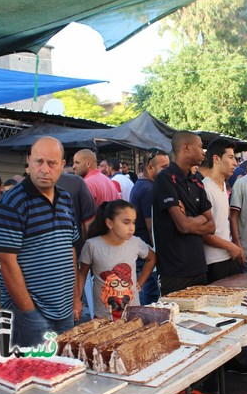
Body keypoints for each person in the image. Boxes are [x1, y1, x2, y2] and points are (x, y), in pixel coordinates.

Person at [0, 137, 80, 347]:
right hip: (31, 314)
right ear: (29, 161)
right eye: (39, 161)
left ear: (62, 165)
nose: (44, 169)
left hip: (64, 311)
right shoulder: (12, 202)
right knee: (34, 372)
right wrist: (29, 312)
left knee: (64, 370)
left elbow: (70, 249)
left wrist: (75, 298)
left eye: (52, 163)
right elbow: (7, 263)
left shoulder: (65, 198)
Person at [152, 131, 215, 295]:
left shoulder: (197, 181)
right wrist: (200, 219)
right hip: (174, 272)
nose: (203, 152)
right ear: (186, 148)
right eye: (200, 146)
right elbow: (183, 226)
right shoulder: (165, 179)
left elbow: (212, 226)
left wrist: (192, 219)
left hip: (199, 268)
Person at [77, 200, 156, 321]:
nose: (131, 228)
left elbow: (152, 258)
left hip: (132, 316)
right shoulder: (92, 245)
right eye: (126, 222)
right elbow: (82, 273)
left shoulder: (135, 243)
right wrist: (77, 299)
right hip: (103, 317)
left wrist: (140, 282)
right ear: (110, 223)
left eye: (133, 222)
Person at [129, 147, 170, 305]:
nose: (168, 171)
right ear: (149, 167)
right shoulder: (148, 189)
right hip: (148, 253)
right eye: (164, 167)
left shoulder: (143, 185)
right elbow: (151, 227)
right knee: (151, 296)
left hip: (144, 252)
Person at [202, 139, 244, 283]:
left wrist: (235, 245)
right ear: (216, 159)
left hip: (229, 257)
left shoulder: (224, 185)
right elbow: (204, 233)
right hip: (214, 261)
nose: (235, 163)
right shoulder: (205, 188)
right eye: (231, 157)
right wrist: (230, 246)